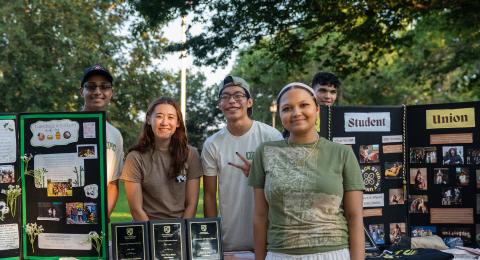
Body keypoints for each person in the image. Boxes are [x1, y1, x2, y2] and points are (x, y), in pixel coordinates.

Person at [249, 82, 365, 260]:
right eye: (287, 108)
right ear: (280, 114)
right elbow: (260, 216)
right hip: (280, 254)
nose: (296, 113)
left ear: (317, 109)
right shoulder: (265, 153)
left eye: (304, 105)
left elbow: (355, 216)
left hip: (333, 254)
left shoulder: (342, 153)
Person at [202, 76, 282, 252]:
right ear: (219, 104)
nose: (231, 101)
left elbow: (283, 187)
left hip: (270, 239)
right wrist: (212, 240)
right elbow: (209, 195)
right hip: (230, 240)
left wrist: (258, 173)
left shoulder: (271, 137)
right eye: (225, 96)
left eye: (238, 95)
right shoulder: (212, 144)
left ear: (250, 102)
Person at [120, 98, 202, 220]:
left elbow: (191, 205)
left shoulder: (191, 154)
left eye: (170, 117)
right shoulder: (135, 157)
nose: (164, 122)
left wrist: (181, 233)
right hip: (147, 228)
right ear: (148, 119)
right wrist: (154, 235)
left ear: (178, 123)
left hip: (180, 228)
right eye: (159, 116)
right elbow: (136, 209)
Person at [80, 64, 124, 218]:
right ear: (82, 92)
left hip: (96, 217)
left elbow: (112, 184)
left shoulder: (115, 134)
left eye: (104, 87)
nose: (97, 92)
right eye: (91, 87)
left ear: (111, 92)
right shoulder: (66, 127)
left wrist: (102, 219)